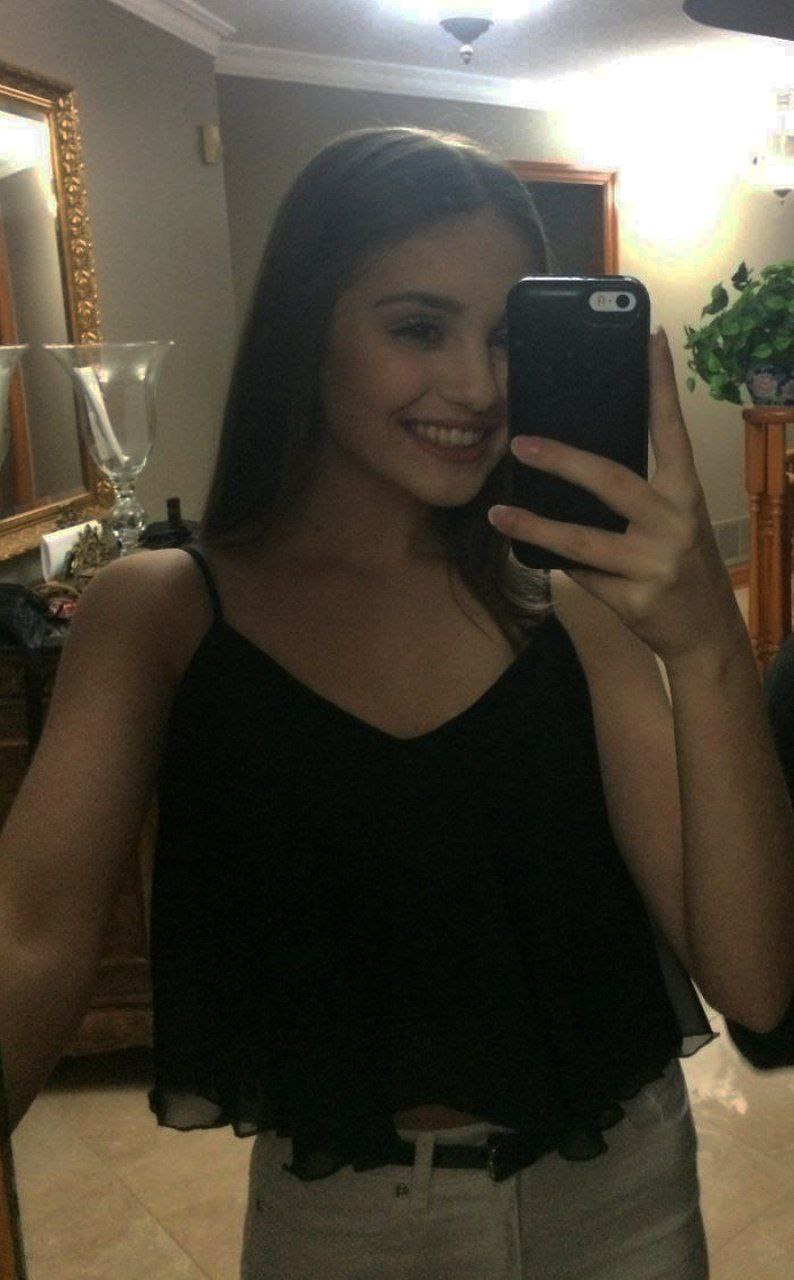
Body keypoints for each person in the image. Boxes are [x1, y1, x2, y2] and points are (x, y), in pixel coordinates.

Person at [1, 126, 793, 1280]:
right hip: (345, 1229)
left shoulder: (567, 609)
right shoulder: (162, 612)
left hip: (621, 1201)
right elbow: (27, 939)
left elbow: (755, 978)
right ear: (307, 330)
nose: (476, 386)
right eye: (417, 327)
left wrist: (708, 642)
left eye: (504, 336)